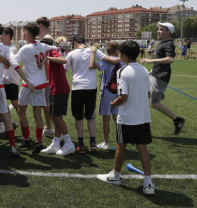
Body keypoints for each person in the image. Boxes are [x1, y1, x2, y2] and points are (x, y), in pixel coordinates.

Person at [97, 40, 155, 195]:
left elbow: (123, 96)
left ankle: (115, 175)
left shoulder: (123, 71)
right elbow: (148, 93)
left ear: (122, 55)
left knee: (121, 145)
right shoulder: (143, 69)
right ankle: (148, 182)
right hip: (142, 116)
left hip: (127, 117)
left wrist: (114, 103)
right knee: (142, 146)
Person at [64, 35, 120, 153]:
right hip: (91, 87)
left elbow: (64, 70)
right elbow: (113, 60)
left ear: (75, 43)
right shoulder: (94, 50)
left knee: (78, 117)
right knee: (91, 116)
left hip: (77, 87)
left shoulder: (71, 54)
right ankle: (93, 143)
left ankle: (81, 145)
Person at [10, 23, 53, 154]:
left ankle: (28, 139)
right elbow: (55, 47)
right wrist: (46, 58)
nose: (23, 34)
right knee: (37, 114)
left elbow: (14, 62)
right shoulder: (43, 45)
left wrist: (8, 53)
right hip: (41, 85)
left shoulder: (25, 49)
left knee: (21, 111)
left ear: (27, 33)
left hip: (28, 85)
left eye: (24, 32)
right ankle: (39, 141)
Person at [141, 22, 185, 135]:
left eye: (161, 29)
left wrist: (151, 60)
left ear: (168, 32)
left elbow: (170, 59)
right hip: (155, 74)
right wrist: (152, 70)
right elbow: (161, 59)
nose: (158, 31)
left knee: (154, 103)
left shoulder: (169, 44)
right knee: (143, 96)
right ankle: (141, 123)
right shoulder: (162, 43)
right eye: (158, 29)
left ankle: (177, 120)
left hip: (161, 77)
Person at [0, 22, 21, 156]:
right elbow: (7, 65)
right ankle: (7, 146)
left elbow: (8, 65)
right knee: (3, 117)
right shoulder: (4, 48)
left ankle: (0, 147)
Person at [39, 38, 75, 156]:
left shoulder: (52, 53)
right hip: (55, 88)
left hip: (60, 89)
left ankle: (69, 144)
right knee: (55, 117)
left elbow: (63, 60)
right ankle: (56, 143)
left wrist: (49, 58)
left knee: (56, 117)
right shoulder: (47, 54)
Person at [89, 41, 125, 150]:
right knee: (118, 118)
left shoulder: (105, 62)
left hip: (107, 93)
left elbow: (92, 66)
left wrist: (93, 53)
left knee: (106, 119)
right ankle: (122, 142)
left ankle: (106, 142)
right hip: (119, 92)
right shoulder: (123, 61)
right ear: (117, 50)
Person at [36, 17, 55, 137]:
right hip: (46, 76)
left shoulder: (46, 39)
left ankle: (59, 129)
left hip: (47, 77)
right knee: (45, 104)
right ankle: (49, 127)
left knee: (46, 104)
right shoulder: (46, 38)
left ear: (41, 26)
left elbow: (47, 61)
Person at [1, 27, 20, 130]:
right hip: (4, 80)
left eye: (2, 34)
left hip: (11, 80)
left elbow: (8, 64)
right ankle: (10, 122)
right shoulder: (4, 48)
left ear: (8, 36)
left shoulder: (12, 48)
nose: (0, 36)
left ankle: (22, 119)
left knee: (15, 103)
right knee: (3, 102)